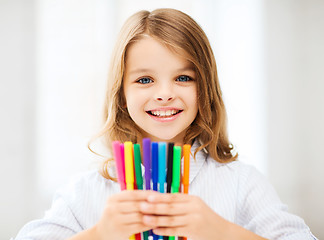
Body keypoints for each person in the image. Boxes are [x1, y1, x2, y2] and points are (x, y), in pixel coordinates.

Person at [14, 8, 317, 240]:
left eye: (183, 78)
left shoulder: (240, 183)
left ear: (205, 90)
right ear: (121, 95)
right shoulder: (87, 191)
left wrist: (222, 231)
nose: (164, 94)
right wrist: (99, 234)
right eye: (144, 79)